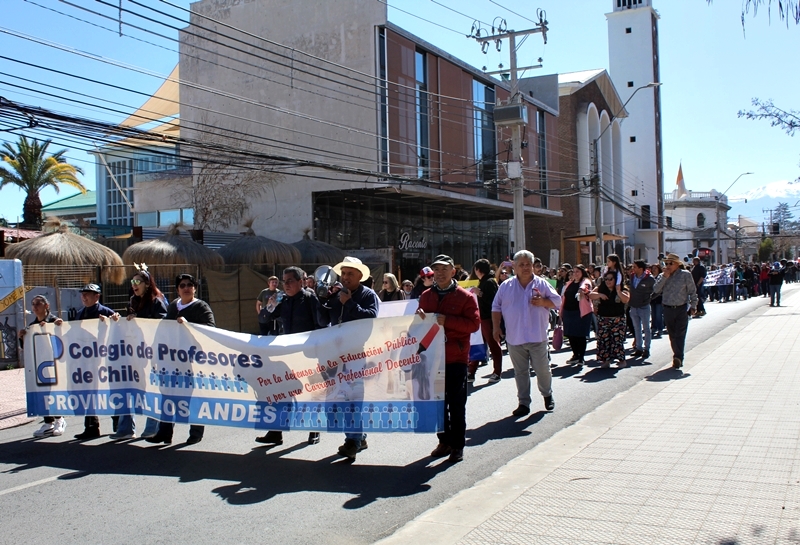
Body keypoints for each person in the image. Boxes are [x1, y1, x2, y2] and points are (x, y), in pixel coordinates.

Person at [417, 254, 480, 463]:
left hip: (456, 358)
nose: (440, 273)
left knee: (456, 403)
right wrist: (419, 318)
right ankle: (443, 441)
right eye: (437, 269)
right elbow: (419, 326)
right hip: (433, 358)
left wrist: (448, 321)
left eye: (445, 269)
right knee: (437, 404)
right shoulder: (426, 296)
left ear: (453, 271)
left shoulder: (466, 297)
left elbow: (473, 325)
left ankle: (457, 445)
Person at [256, 266, 327, 446]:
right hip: (287, 354)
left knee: (313, 392)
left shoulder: (310, 298)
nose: (286, 285)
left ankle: (314, 429)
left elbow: (321, 323)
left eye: (290, 281)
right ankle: (276, 432)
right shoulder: (282, 299)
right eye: (284, 281)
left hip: (309, 354)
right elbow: (263, 318)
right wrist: (271, 303)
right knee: (281, 392)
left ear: (300, 282)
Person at [146, 274, 215, 445]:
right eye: (182, 285)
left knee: (192, 397)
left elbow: (211, 329)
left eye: (190, 285)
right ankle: (164, 433)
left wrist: (188, 325)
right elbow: (164, 329)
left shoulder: (200, 307)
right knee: (168, 396)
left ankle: (196, 433)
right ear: (177, 289)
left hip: (192, 361)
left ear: (195, 288)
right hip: (172, 360)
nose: (186, 288)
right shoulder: (173, 307)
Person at [323, 256, 379, 461]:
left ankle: (351, 442)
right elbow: (324, 320)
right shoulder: (337, 295)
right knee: (340, 398)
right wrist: (327, 300)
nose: (345, 277)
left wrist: (350, 303)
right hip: (336, 355)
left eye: (350, 274)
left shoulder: (368, 295)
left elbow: (371, 318)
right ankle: (359, 437)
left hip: (356, 354)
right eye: (343, 273)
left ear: (359, 276)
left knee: (353, 399)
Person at [492, 250, 561, 417]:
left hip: (537, 336)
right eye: (521, 265)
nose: (525, 268)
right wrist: (495, 327)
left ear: (532, 266)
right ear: (514, 266)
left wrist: (544, 302)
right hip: (515, 338)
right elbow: (496, 307)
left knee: (542, 369)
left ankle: (547, 394)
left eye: (528, 264)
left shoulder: (542, 284)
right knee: (520, 372)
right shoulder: (505, 286)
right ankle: (523, 402)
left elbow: (557, 301)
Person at [123, 266, 168, 440]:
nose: (134, 285)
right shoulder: (133, 301)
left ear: (147, 284)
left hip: (154, 352)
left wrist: (142, 321)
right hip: (137, 352)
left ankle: (152, 426)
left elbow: (163, 323)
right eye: (132, 282)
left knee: (153, 388)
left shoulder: (157, 301)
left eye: (138, 282)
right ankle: (126, 428)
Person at [73, 284, 121, 440]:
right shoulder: (80, 314)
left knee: (109, 392)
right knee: (89, 393)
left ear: (97, 296)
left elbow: (118, 331)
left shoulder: (106, 312)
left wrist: (112, 321)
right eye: (83, 294)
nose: (84, 297)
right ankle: (91, 427)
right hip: (87, 361)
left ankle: (118, 423)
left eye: (88, 294)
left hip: (105, 360)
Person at [21, 295, 66, 438]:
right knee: (43, 392)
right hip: (40, 365)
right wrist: (22, 337)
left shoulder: (55, 322)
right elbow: (27, 348)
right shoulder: (32, 327)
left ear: (46, 306)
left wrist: (59, 327)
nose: (34, 307)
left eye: (38, 304)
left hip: (55, 364)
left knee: (54, 391)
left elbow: (65, 339)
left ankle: (60, 419)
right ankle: (48, 422)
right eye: (33, 304)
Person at [652, 253, 698, 369]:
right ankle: (677, 354)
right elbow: (656, 290)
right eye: (666, 263)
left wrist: (693, 305)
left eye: (670, 263)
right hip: (667, 308)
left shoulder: (685, 275)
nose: (668, 265)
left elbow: (692, 291)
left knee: (680, 334)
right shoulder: (663, 276)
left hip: (681, 308)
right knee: (672, 334)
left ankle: (678, 357)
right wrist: (664, 277)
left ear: (677, 264)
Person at [467, 258, 502, 383]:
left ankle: (497, 372)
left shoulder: (489, 282)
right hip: (481, 318)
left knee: (493, 345)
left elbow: (494, 302)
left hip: (488, 318)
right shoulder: (484, 281)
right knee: (477, 343)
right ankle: (471, 371)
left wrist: (480, 293)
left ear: (478, 269)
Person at [590, 272, 630, 368]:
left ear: (616, 280)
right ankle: (605, 361)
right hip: (603, 318)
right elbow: (591, 295)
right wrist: (599, 295)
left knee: (617, 341)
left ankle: (621, 360)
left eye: (610, 279)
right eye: (606, 279)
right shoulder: (602, 288)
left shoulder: (622, 289)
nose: (608, 281)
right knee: (603, 340)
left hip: (617, 319)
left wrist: (618, 291)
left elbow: (626, 299)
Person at [560, 265, 593, 365]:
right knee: (570, 335)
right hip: (568, 312)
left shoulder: (585, 282)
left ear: (582, 272)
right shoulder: (569, 283)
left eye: (577, 271)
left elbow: (586, 288)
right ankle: (575, 354)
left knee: (580, 335)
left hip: (581, 313)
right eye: (573, 272)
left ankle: (581, 357)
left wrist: (582, 290)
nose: (575, 274)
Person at [628, 260, 655, 360]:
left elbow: (656, 290)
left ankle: (646, 348)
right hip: (633, 306)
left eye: (635, 267)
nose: (633, 269)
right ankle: (638, 348)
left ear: (640, 268)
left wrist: (648, 298)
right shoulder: (632, 276)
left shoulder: (649, 279)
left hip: (644, 306)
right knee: (637, 328)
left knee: (646, 328)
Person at [649, 263, 664, 339]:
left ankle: (660, 329)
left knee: (658, 315)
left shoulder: (660, 277)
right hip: (652, 299)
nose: (654, 270)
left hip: (659, 298)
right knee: (653, 315)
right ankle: (653, 328)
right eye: (653, 268)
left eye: (655, 268)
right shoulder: (650, 278)